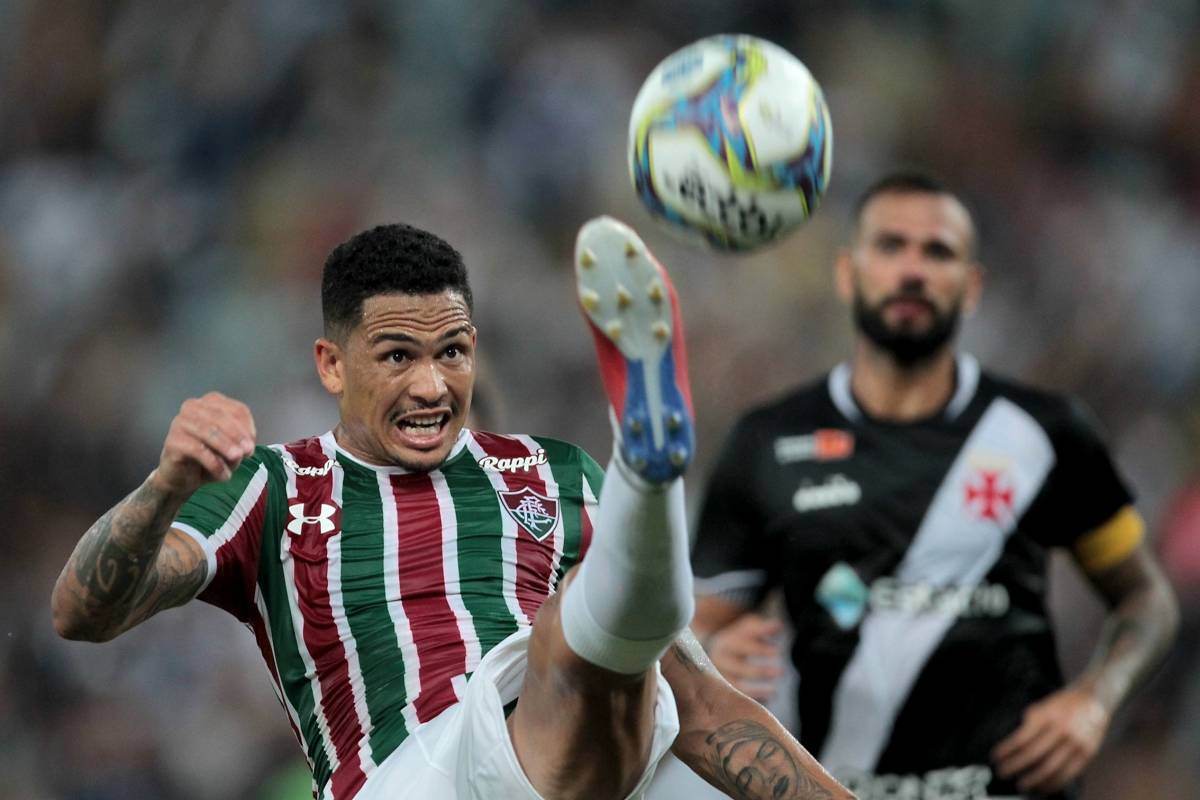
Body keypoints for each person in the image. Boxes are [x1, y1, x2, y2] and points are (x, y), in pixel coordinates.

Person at [51, 217, 852, 800]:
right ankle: (646, 476)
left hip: (571, 748)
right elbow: (81, 613)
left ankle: (646, 466)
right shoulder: (272, 486)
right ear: (331, 365)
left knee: (634, 660)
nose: (433, 386)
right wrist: (165, 488)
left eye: (453, 352)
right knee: (579, 634)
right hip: (409, 775)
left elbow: (707, 703)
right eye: (398, 356)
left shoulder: (549, 471)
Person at [688, 173, 1179, 800]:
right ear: (847, 273)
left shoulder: (1045, 431)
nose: (913, 270)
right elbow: (694, 632)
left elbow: (1147, 600)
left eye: (938, 251)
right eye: (891, 246)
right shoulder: (768, 443)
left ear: (972, 286)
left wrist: (1094, 701)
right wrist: (710, 656)